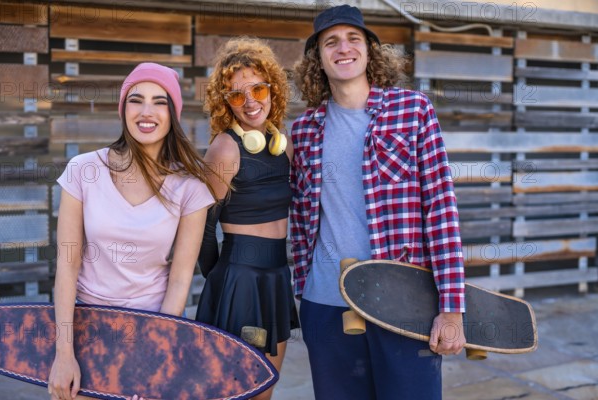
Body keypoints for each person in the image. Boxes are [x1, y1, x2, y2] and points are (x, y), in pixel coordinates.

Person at [291, 5, 467, 399]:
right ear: (317, 58)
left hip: (401, 301)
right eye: (330, 42)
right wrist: (301, 287)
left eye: (354, 39)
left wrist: (452, 306)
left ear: (370, 51)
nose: (343, 48)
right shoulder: (304, 130)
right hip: (326, 304)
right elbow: (301, 220)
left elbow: (441, 208)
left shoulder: (413, 111)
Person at [48, 62, 215, 400]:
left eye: (160, 101)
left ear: (173, 114)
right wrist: (64, 354)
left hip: (153, 324)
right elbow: (67, 266)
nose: (146, 111)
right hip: (87, 326)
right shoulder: (83, 170)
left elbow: (181, 279)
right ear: (123, 109)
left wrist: (157, 352)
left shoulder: (190, 188)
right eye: (136, 100)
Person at [194, 37, 299, 400]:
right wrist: (224, 282)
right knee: (239, 390)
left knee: (264, 391)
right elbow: (204, 229)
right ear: (226, 103)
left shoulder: (282, 145)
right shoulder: (225, 147)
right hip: (241, 278)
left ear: (273, 89)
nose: (251, 101)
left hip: (275, 279)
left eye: (258, 88)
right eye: (237, 95)